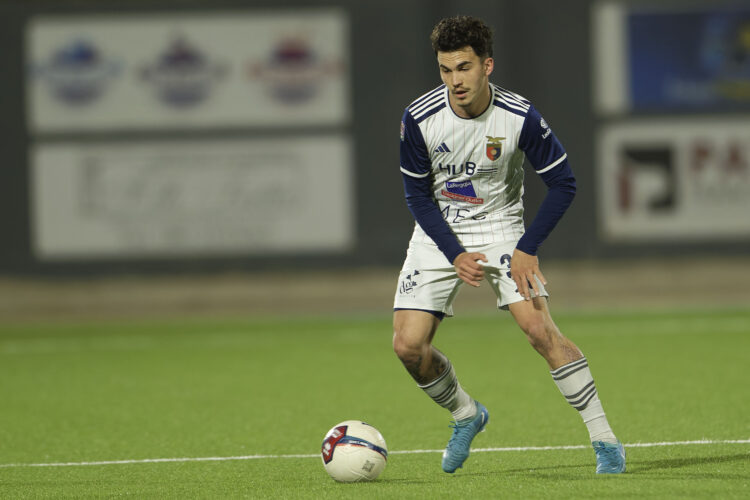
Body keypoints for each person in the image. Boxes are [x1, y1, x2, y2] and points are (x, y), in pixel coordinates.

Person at [392, 15, 626, 474]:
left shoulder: (519, 117)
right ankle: (466, 414)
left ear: (487, 66)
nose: (455, 81)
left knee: (540, 331)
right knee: (408, 347)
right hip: (440, 232)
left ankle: (605, 440)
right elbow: (417, 197)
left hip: (502, 229)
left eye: (464, 68)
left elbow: (564, 183)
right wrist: (454, 254)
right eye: (445, 70)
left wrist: (527, 247)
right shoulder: (418, 118)